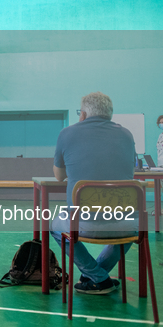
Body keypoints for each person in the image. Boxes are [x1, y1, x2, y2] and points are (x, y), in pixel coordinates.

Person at [50, 92, 136, 295]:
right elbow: (129, 172)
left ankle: (97, 277)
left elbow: (59, 177)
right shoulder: (127, 135)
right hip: (124, 222)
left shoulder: (67, 133)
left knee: (52, 226)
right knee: (135, 230)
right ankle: (97, 275)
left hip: (82, 221)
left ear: (84, 113)